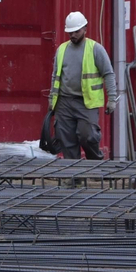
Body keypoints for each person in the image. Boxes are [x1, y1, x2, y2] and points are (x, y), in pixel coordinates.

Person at [49, 11, 117, 160]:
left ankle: (94, 165)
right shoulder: (62, 50)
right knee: (66, 140)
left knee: (88, 136)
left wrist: (112, 98)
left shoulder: (95, 49)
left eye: (76, 31)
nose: (73, 35)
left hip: (86, 102)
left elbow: (108, 73)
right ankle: (74, 177)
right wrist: (51, 99)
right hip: (64, 102)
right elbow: (55, 76)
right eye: (70, 32)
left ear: (85, 29)